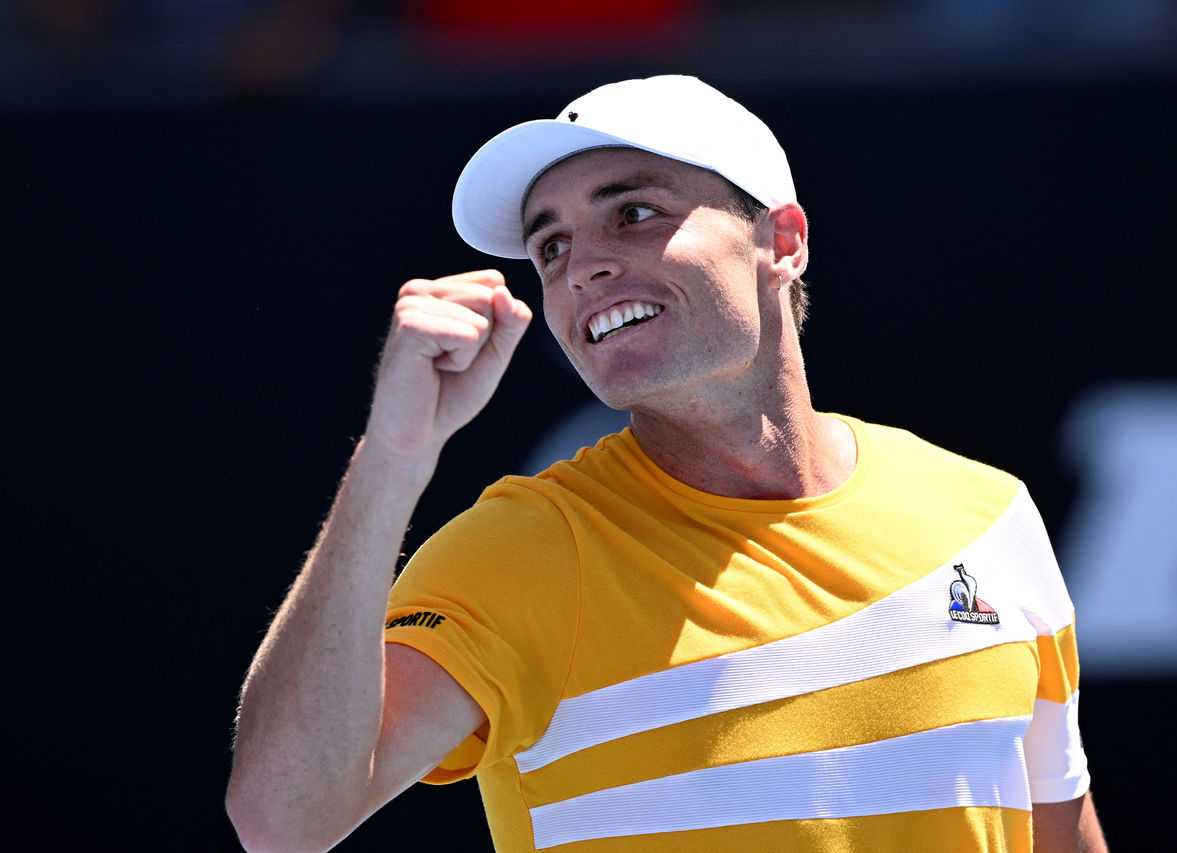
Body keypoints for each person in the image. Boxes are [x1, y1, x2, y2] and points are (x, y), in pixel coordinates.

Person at [226, 75, 1107, 852]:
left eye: (633, 214)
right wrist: (391, 458)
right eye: (550, 247)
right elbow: (283, 822)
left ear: (782, 240)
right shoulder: (522, 554)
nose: (582, 267)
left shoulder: (987, 516)